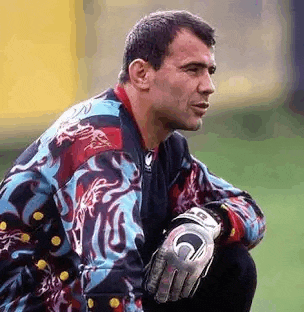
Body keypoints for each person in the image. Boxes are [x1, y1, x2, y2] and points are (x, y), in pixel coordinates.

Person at [0, 10, 266, 312]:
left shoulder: (165, 147)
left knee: (232, 266)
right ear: (141, 74)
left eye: (209, 72)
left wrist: (204, 223)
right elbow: (109, 282)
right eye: (192, 70)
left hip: (84, 296)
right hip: (37, 304)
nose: (208, 86)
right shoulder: (100, 143)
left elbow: (251, 212)